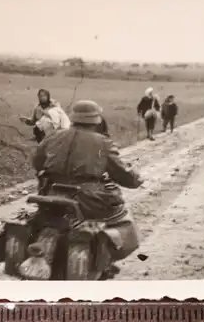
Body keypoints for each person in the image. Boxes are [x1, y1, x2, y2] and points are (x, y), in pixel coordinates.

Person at [32, 99, 144, 273]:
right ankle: (104, 256)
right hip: (87, 199)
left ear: (73, 118)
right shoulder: (103, 142)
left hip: (52, 194)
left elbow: (37, 162)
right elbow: (121, 173)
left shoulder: (52, 136)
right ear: (96, 120)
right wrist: (136, 180)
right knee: (119, 210)